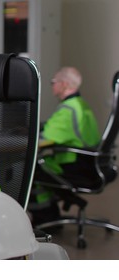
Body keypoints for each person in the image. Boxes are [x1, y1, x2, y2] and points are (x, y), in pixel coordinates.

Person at [28, 67, 101, 227]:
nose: (52, 85)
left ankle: (46, 218)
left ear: (64, 84)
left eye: (53, 82)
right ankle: (53, 213)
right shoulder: (80, 104)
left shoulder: (67, 109)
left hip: (74, 165)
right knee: (43, 166)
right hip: (89, 164)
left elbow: (44, 139)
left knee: (32, 169)